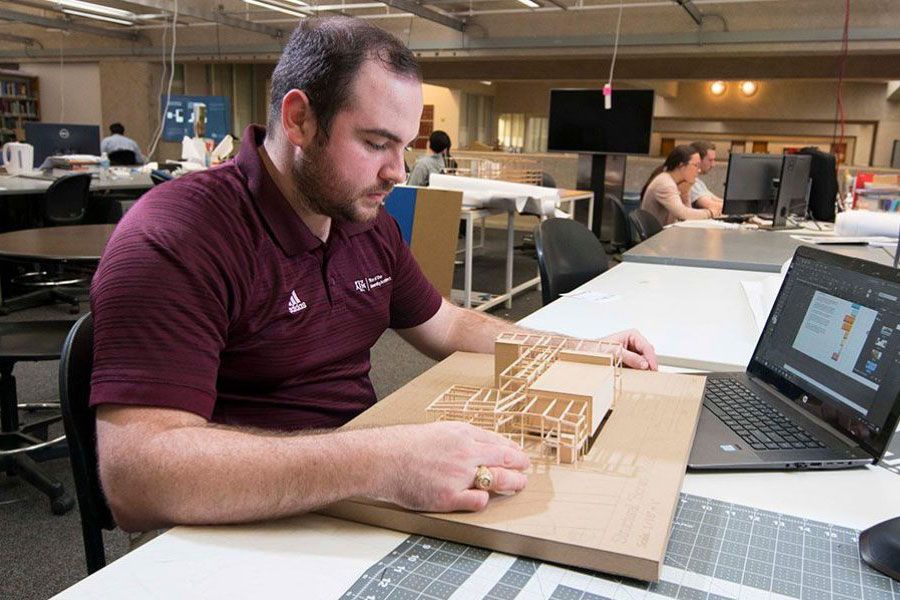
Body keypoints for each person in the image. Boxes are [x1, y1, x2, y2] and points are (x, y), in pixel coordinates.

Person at [90, 17, 659, 533]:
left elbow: (450, 325)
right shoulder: (177, 236)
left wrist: (576, 350)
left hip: (356, 490)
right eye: (375, 144)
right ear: (299, 120)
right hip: (243, 522)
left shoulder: (360, 217)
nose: (396, 172)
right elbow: (138, 478)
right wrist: (381, 461)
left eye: (404, 147)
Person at [640, 145, 720, 226]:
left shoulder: (677, 182)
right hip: (656, 237)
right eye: (695, 165)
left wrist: (685, 195)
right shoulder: (665, 184)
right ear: (681, 165)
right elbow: (683, 213)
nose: (698, 170)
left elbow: (686, 218)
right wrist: (710, 213)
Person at [680, 141, 724, 215]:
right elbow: (713, 206)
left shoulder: (698, 182)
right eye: (710, 160)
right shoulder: (687, 181)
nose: (713, 165)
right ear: (698, 160)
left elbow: (716, 200)